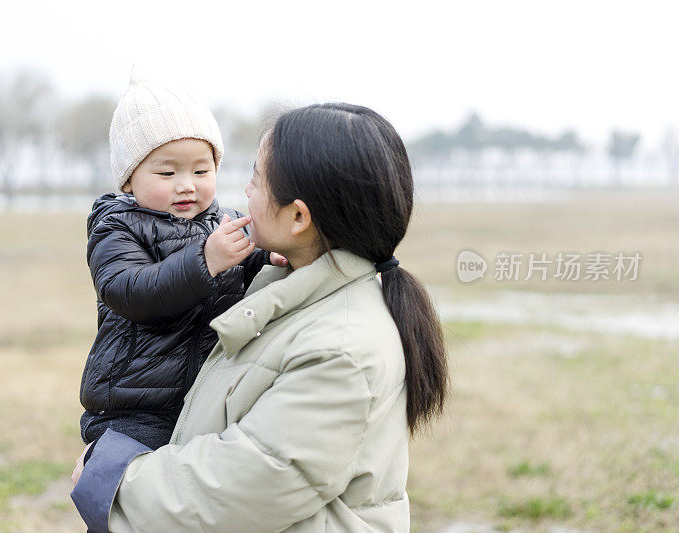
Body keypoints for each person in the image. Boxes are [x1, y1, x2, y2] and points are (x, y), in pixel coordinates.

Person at [72, 103, 448, 532]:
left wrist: (112, 479)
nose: (244, 194)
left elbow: (244, 488)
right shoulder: (286, 295)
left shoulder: (340, 349)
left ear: (299, 217)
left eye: (255, 179)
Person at [78, 71, 286, 451]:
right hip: (135, 407)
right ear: (128, 180)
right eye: (167, 172)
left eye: (201, 170)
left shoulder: (222, 222)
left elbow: (246, 267)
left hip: (206, 396)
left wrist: (267, 256)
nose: (186, 184)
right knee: (134, 496)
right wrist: (205, 261)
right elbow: (130, 291)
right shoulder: (117, 228)